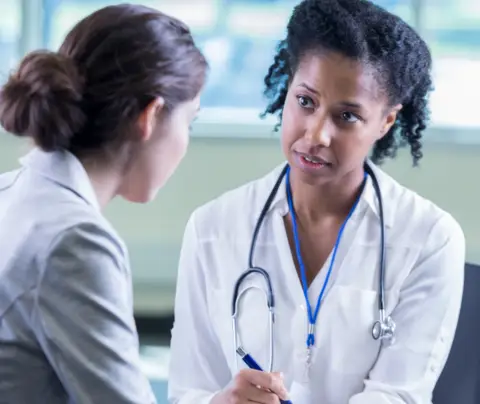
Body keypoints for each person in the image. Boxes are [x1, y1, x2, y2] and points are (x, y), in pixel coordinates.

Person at [168, 0, 465, 403]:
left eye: (347, 117)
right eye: (306, 101)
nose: (316, 135)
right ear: (288, 88)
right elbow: (188, 390)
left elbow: (399, 395)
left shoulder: (429, 237)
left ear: (386, 121)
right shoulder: (212, 228)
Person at [0, 4, 207, 404]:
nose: (186, 140)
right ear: (151, 115)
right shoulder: (76, 242)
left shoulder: (11, 192)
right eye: (190, 122)